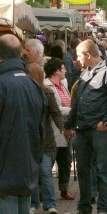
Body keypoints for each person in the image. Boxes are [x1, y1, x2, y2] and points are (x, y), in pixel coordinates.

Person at [64, 39, 107, 214]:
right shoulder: (85, 73)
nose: (77, 59)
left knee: (102, 170)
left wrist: (106, 122)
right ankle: (84, 206)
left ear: (88, 55)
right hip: (83, 129)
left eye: (79, 55)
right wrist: (69, 125)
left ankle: (103, 209)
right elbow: (77, 103)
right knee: (83, 170)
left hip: (98, 130)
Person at [0, 34, 47, 214]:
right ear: (20, 54)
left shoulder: (3, 83)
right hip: (28, 168)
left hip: (5, 172)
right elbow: (40, 128)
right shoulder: (33, 85)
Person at [28, 63, 65, 214]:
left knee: (44, 171)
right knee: (33, 173)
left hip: (45, 140)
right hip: (31, 140)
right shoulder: (26, 93)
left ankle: (50, 204)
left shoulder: (47, 93)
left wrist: (63, 127)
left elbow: (56, 113)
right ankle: (34, 203)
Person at [44, 58, 75, 201]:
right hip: (53, 129)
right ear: (56, 71)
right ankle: (43, 191)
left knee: (66, 160)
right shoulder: (47, 86)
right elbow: (55, 109)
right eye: (63, 68)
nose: (66, 71)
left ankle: (64, 188)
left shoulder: (62, 84)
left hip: (66, 127)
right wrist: (73, 110)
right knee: (49, 161)